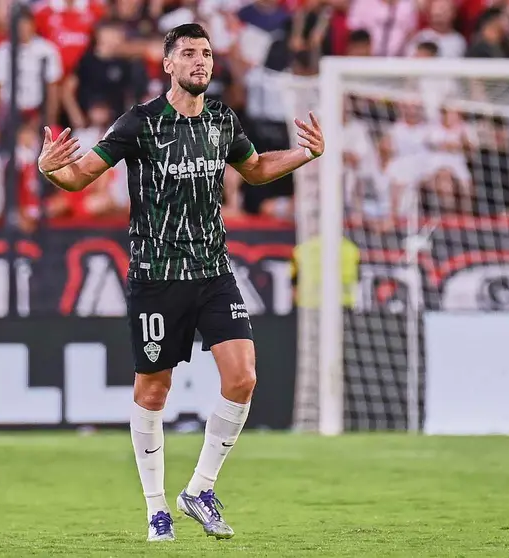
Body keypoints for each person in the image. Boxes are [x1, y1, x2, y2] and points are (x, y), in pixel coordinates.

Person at [36, 23, 325, 543]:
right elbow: (79, 176)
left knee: (243, 378)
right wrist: (50, 169)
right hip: (157, 276)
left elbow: (256, 169)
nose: (200, 61)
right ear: (167, 64)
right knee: (154, 389)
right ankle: (156, 510)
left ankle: (200, 490)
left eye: (206, 53)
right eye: (189, 53)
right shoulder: (140, 122)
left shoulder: (221, 119)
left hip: (213, 271)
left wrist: (304, 154)